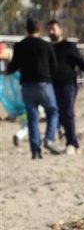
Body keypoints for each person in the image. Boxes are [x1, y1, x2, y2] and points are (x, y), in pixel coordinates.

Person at [4, 17, 61, 159]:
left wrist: (6, 72)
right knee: (53, 111)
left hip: (27, 86)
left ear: (26, 29)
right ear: (39, 29)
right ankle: (49, 139)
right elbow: (54, 67)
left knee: (32, 118)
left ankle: (35, 150)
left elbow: (14, 66)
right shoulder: (46, 45)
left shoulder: (20, 46)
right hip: (44, 84)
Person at [47, 20, 84, 154]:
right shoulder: (48, 49)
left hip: (68, 85)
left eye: (53, 29)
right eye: (49, 30)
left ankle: (71, 143)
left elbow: (81, 63)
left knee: (68, 113)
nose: (51, 32)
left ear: (60, 30)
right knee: (57, 114)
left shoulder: (68, 46)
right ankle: (71, 142)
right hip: (52, 86)